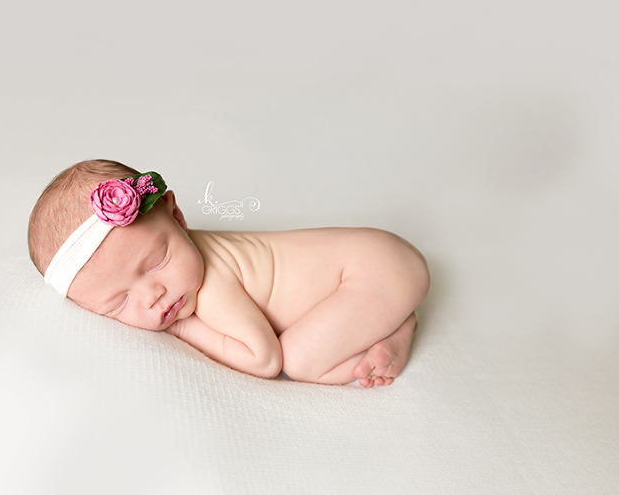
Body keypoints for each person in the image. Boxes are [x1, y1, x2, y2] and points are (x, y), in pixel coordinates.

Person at [28, 160, 429, 387]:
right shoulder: (183, 263)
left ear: (177, 215)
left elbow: (264, 358)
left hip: (376, 269)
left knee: (301, 361)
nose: (152, 295)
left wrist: (185, 330)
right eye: (119, 302)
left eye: (156, 261)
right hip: (374, 262)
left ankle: (397, 325)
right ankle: (389, 315)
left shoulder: (212, 282)